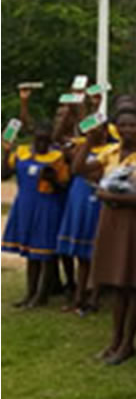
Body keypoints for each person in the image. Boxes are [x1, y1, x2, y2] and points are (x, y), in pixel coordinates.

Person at [76, 108, 136, 365]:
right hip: (110, 221)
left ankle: (127, 343)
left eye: (132, 125)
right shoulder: (109, 153)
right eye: (122, 125)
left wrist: (113, 197)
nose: (127, 130)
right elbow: (78, 169)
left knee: (131, 284)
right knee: (116, 282)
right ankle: (115, 340)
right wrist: (89, 139)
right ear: (115, 128)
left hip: (133, 222)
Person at [3, 122, 71, 308]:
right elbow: (4, 175)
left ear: (50, 141)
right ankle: (30, 293)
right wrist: (6, 152)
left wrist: (53, 180)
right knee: (31, 254)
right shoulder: (21, 152)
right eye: (38, 140)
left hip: (47, 206)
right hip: (25, 205)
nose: (41, 144)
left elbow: (64, 185)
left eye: (45, 141)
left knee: (46, 254)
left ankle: (42, 296)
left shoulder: (57, 157)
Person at [56, 121, 112, 314]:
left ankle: (94, 297)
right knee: (81, 254)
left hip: (96, 201)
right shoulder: (82, 146)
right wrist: (88, 142)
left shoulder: (111, 150)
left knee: (95, 251)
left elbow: (97, 174)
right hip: (78, 198)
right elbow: (75, 169)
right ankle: (79, 297)